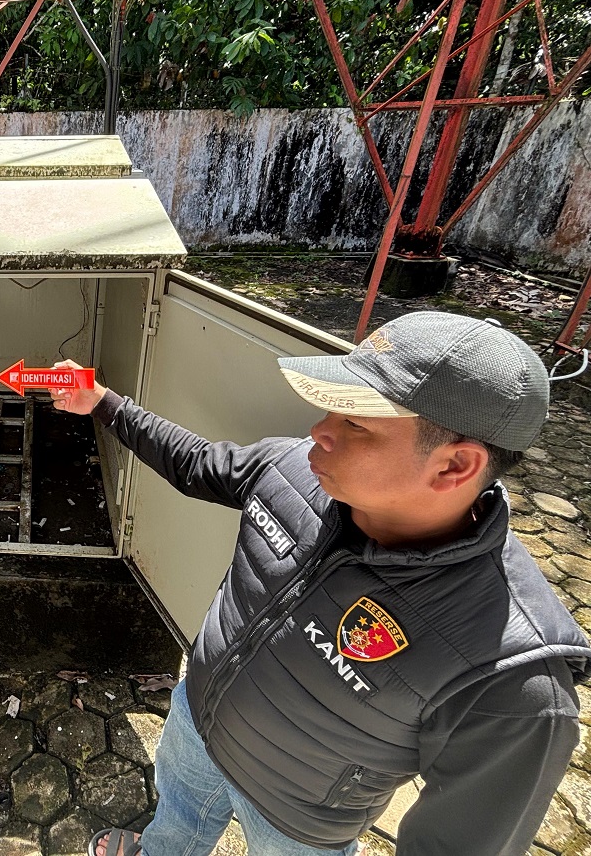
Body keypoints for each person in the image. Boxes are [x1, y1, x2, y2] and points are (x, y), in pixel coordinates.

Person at [47, 311, 591, 856]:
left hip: (295, 823)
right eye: (336, 406)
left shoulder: (516, 679)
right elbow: (195, 462)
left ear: (454, 466)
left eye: (357, 422)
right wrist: (102, 403)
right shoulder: (290, 470)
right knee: (178, 817)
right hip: (198, 719)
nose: (320, 430)